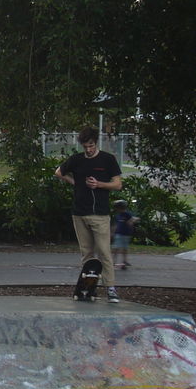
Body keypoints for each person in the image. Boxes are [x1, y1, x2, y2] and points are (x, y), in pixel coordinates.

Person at [54, 127, 123, 302]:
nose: (89, 149)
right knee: (86, 253)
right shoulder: (77, 160)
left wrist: (98, 184)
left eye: (91, 145)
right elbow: (58, 172)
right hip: (79, 213)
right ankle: (87, 287)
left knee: (104, 251)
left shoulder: (107, 159)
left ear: (96, 142)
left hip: (99, 213)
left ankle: (111, 287)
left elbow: (117, 184)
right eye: (85, 146)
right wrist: (75, 182)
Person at [112, 199, 137, 270]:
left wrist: (130, 222)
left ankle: (124, 261)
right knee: (116, 248)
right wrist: (113, 232)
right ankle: (113, 261)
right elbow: (116, 224)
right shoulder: (118, 215)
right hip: (119, 233)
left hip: (126, 234)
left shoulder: (127, 214)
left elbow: (133, 219)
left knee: (124, 248)